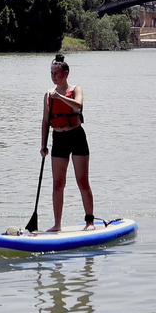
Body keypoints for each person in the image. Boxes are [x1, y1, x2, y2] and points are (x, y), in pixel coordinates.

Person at [40, 54, 94, 231]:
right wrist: (43, 145)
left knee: (82, 181)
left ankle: (89, 222)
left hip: (76, 136)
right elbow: (45, 121)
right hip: (59, 139)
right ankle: (57, 224)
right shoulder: (48, 95)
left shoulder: (76, 89)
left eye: (57, 73)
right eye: (51, 73)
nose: (54, 76)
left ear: (65, 73)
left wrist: (61, 97)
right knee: (58, 183)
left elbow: (78, 106)